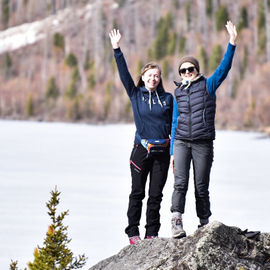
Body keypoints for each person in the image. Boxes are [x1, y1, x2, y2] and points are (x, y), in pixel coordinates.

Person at [170, 21, 237, 238]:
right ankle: (176, 222)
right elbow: (174, 122)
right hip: (181, 142)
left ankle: (203, 224)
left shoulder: (208, 85)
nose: (187, 72)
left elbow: (224, 68)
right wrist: (172, 151)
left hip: (202, 143)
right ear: (180, 74)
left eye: (190, 69)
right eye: (183, 70)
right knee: (180, 184)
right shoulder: (177, 93)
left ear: (197, 70)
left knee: (201, 186)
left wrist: (232, 43)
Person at [109, 29, 174, 244]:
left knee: (156, 196)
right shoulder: (136, 94)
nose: (153, 78)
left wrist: (174, 151)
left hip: (162, 153)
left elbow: (175, 126)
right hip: (141, 151)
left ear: (159, 78)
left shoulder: (168, 99)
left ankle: (152, 233)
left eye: (156, 75)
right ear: (143, 77)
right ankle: (132, 233)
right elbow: (124, 73)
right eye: (149, 75)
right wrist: (117, 48)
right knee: (137, 193)